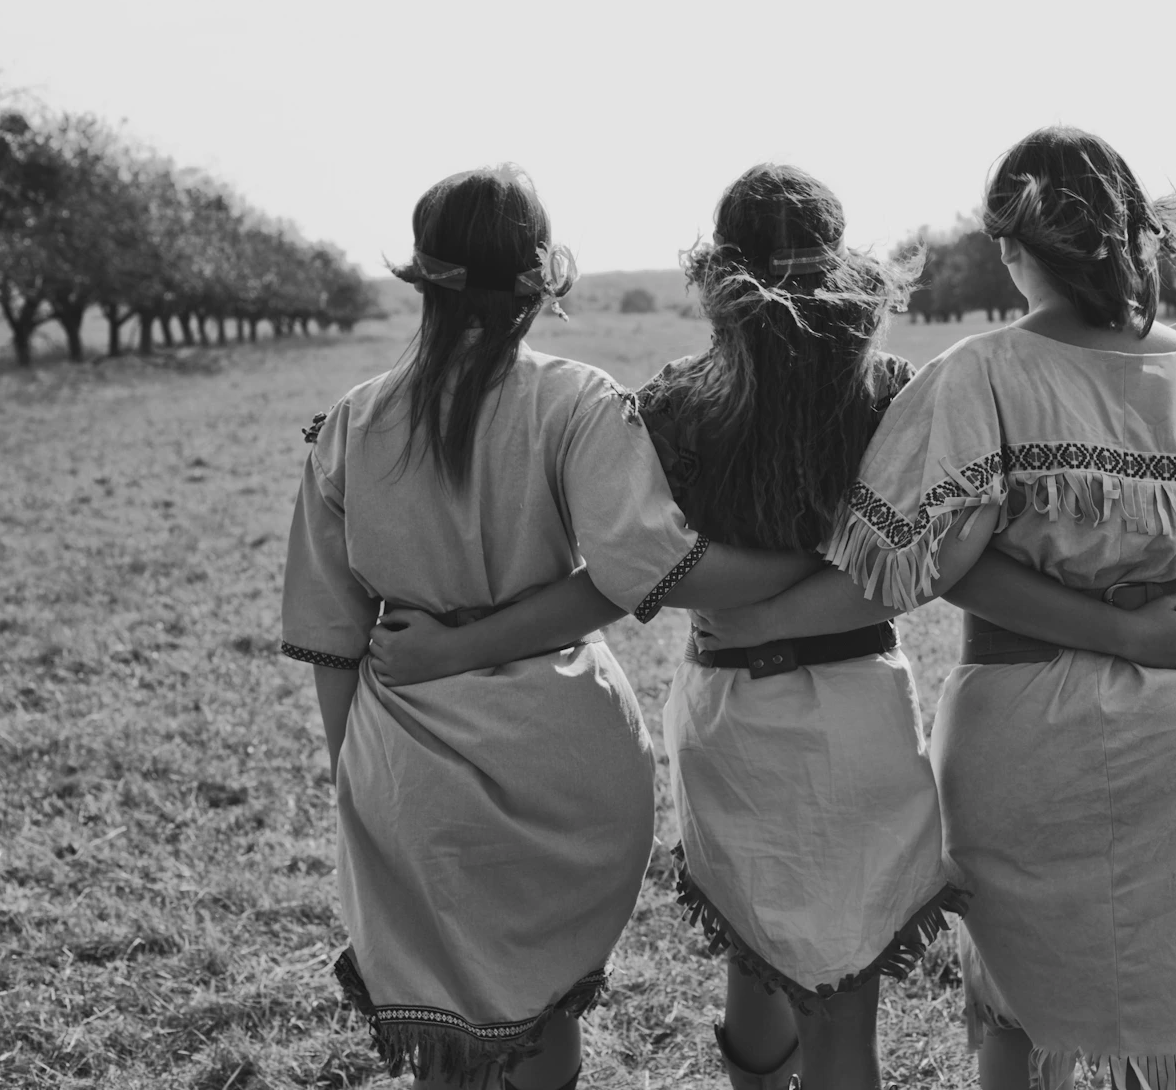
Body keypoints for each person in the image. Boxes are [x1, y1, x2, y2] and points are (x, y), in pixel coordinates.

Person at [372, 163, 1176, 1090]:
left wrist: (750, 612)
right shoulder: (901, 391)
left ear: (720, 266)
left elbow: (630, 571)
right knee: (841, 1001)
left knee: (755, 950)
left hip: (726, 708)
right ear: (843, 258)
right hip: (857, 703)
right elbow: (940, 557)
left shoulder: (668, 405)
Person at [694, 128, 1176, 1090]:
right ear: (1132, 237)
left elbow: (935, 565)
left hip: (1018, 717)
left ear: (1013, 249)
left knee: (1016, 1010)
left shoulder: (981, 375)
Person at [279, 165, 822, 1090]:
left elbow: (331, 634)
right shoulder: (578, 404)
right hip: (565, 756)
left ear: (423, 279)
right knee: (542, 1022)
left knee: (443, 1039)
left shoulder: (349, 426)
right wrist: (810, 562)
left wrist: (355, 777)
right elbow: (641, 572)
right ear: (540, 281)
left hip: (404, 763)